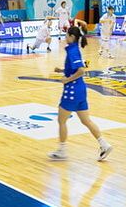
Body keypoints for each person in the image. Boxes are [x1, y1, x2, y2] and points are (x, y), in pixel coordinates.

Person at [48, 25, 112, 162]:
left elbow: (81, 70)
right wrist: (62, 70)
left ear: (72, 37)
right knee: (86, 120)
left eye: (66, 35)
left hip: (72, 91)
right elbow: (74, 68)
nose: (65, 37)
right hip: (80, 90)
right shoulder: (73, 49)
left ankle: (62, 150)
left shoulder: (72, 51)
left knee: (61, 120)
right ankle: (104, 145)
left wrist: (67, 79)